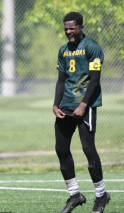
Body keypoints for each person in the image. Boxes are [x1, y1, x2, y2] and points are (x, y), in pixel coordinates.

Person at [53, 12, 110, 213]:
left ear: (81, 27)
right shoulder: (63, 50)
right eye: (66, 28)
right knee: (61, 149)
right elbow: (61, 80)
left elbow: (95, 80)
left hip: (86, 106)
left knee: (88, 149)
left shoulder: (92, 47)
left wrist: (84, 105)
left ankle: (102, 195)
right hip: (66, 106)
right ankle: (75, 195)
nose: (69, 32)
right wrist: (55, 104)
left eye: (72, 28)